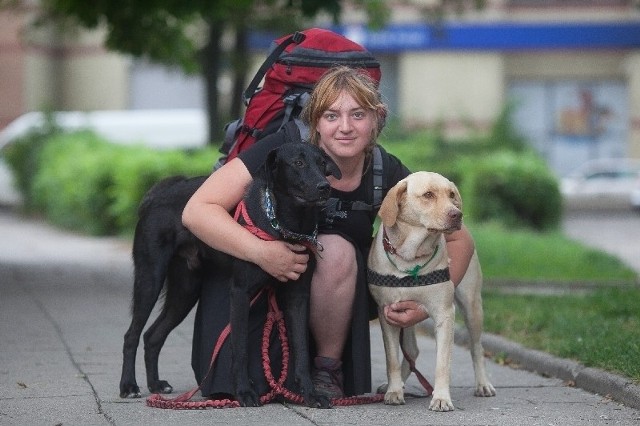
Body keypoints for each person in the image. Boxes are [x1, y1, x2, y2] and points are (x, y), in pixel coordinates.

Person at [182, 65, 476, 400]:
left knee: (333, 249)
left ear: (377, 119)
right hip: (257, 283)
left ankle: (326, 370)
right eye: (332, 115)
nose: (345, 127)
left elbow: (459, 238)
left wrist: (427, 305)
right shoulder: (283, 149)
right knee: (230, 384)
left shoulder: (386, 170)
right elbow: (197, 211)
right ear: (315, 120)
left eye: (358, 114)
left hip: (342, 291)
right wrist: (262, 252)